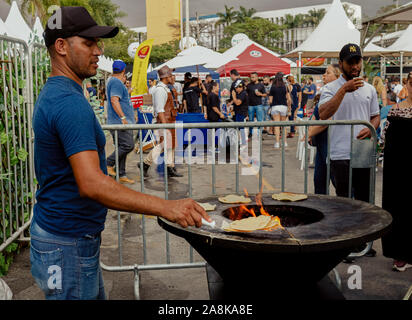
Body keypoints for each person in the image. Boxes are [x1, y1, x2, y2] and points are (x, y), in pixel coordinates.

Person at [31, 6, 210, 300]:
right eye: (88, 43)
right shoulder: (68, 103)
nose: (98, 51)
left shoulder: (59, 92)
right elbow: (92, 183)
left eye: (97, 43)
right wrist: (166, 207)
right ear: (61, 46)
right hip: (67, 243)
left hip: (65, 239)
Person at [319, 43, 380, 204]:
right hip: (340, 154)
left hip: (363, 152)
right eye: (350, 62)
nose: (355, 66)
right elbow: (323, 114)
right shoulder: (330, 88)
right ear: (341, 64)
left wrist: (371, 128)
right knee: (344, 204)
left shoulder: (369, 89)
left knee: (365, 202)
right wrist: (343, 89)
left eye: (357, 62)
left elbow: (376, 116)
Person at [381, 72, 412, 272]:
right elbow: (385, 140)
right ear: (408, 84)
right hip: (401, 169)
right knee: (400, 206)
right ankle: (401, 254)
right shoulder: (395, 111)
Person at [142, 66, 183, 178]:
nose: (172, 77)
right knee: (163, 145)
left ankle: (170, 167)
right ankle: (145, 163)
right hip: (164, 121)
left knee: (171, 144)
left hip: (169, 120)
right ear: (165, 77)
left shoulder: (165, 88)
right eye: (170, 75)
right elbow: (160, 110)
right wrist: (165, 126)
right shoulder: (160, 90)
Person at [308, 64, 341, 195]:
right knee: (319, 181)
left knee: (337, 181)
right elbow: (315, 116)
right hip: (321, 144)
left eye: (328, 73)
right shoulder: (324, 92)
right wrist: (310, 129)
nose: (324, 75)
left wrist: (309, 132)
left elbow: (327, 120)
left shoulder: (338, 93)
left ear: (337, 76)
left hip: (332, 144)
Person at [105, 60, 136, 184]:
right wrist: (123, 118)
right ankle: (108, 163)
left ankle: (121, 173)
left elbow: (119, 99)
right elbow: (114, 100)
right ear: (124, 71)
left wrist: (128, 90)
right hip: (119, 122)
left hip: (120, 121)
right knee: (128, 145)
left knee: (121, 147)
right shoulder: (116, 82)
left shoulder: (115, 82)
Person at [269, 72, 291, 149]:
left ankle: (277, 143)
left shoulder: (273, 87)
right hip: (283, 107)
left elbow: (270, 100)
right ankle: (284, 142)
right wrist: (289, 108)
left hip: (275, 107)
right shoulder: (285, 87)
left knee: (277, 126)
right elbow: (289, 99)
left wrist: (270, 106)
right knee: (283, 125)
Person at [246, 72, 266, 137]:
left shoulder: (261, 85)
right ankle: (251, 133)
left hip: (259, 105)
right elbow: (246, 94)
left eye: (253, 77)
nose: (252, 78)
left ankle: (259, 134)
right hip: (250, 105)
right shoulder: (248, 85)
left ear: (257, 77)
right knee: (251, 120)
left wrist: (260, 94)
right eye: (251, 77)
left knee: (260, 120)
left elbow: (265, 94)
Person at [231, 79, 248, 146]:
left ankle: (243, 141)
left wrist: (233, 96)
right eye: (236, 87)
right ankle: (241, 141)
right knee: (239, 128)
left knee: (241, 128)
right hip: (238, 112)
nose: (237, 89)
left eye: (238, 87)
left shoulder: (243, 93)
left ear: (242, 87)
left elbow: (238, 103)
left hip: (241, 113)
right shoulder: (240, 93)